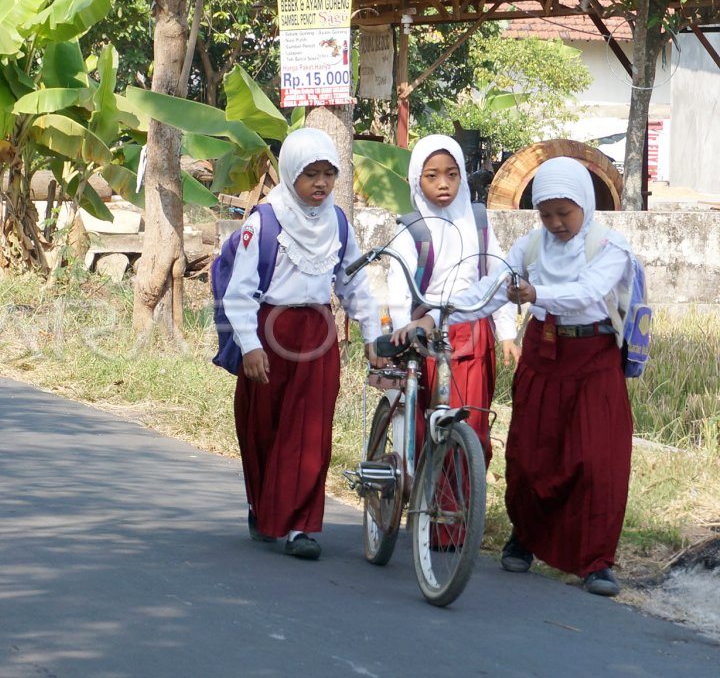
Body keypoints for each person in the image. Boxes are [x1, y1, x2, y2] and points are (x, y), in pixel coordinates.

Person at [394, 157, 634, 596]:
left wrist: (537, 292)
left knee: (597, 460)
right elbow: (489, 290)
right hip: (543, 356)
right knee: (529, 455)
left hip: (593, 359)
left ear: (585, 204)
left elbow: (587, 293)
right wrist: (437, 314)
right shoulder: (530, 246)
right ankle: (525, 538)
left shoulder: (610, 248)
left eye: (565, 212)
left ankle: (596, 560)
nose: (557, 223)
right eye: (547, 214)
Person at [223, 127, 384, 560]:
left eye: (328, 174)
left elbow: (353, 285)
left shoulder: (338, 222)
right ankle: (263, 506)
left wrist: (373, 332)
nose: (321, 184)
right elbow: (239, 291)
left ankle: (301, 525)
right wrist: (250, 346)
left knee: (311, 429)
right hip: (269, 332)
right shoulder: (265, 221)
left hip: (319, 334)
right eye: (310, 174)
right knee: (263, 427)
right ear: (291, 173)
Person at [385, 135, 520, 468]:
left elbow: (497, 276)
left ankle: (460, 515)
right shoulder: (412, 230)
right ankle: (424, 508)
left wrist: (506, 332)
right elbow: (398, 288)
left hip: (472, 333)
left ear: (462, 175)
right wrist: (405, 332)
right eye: (432, 176)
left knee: (470, 424)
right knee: (423, 426)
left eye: (452, 174)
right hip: (424, 336)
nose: (443, 184)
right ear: (417, 178)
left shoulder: (477, 222)